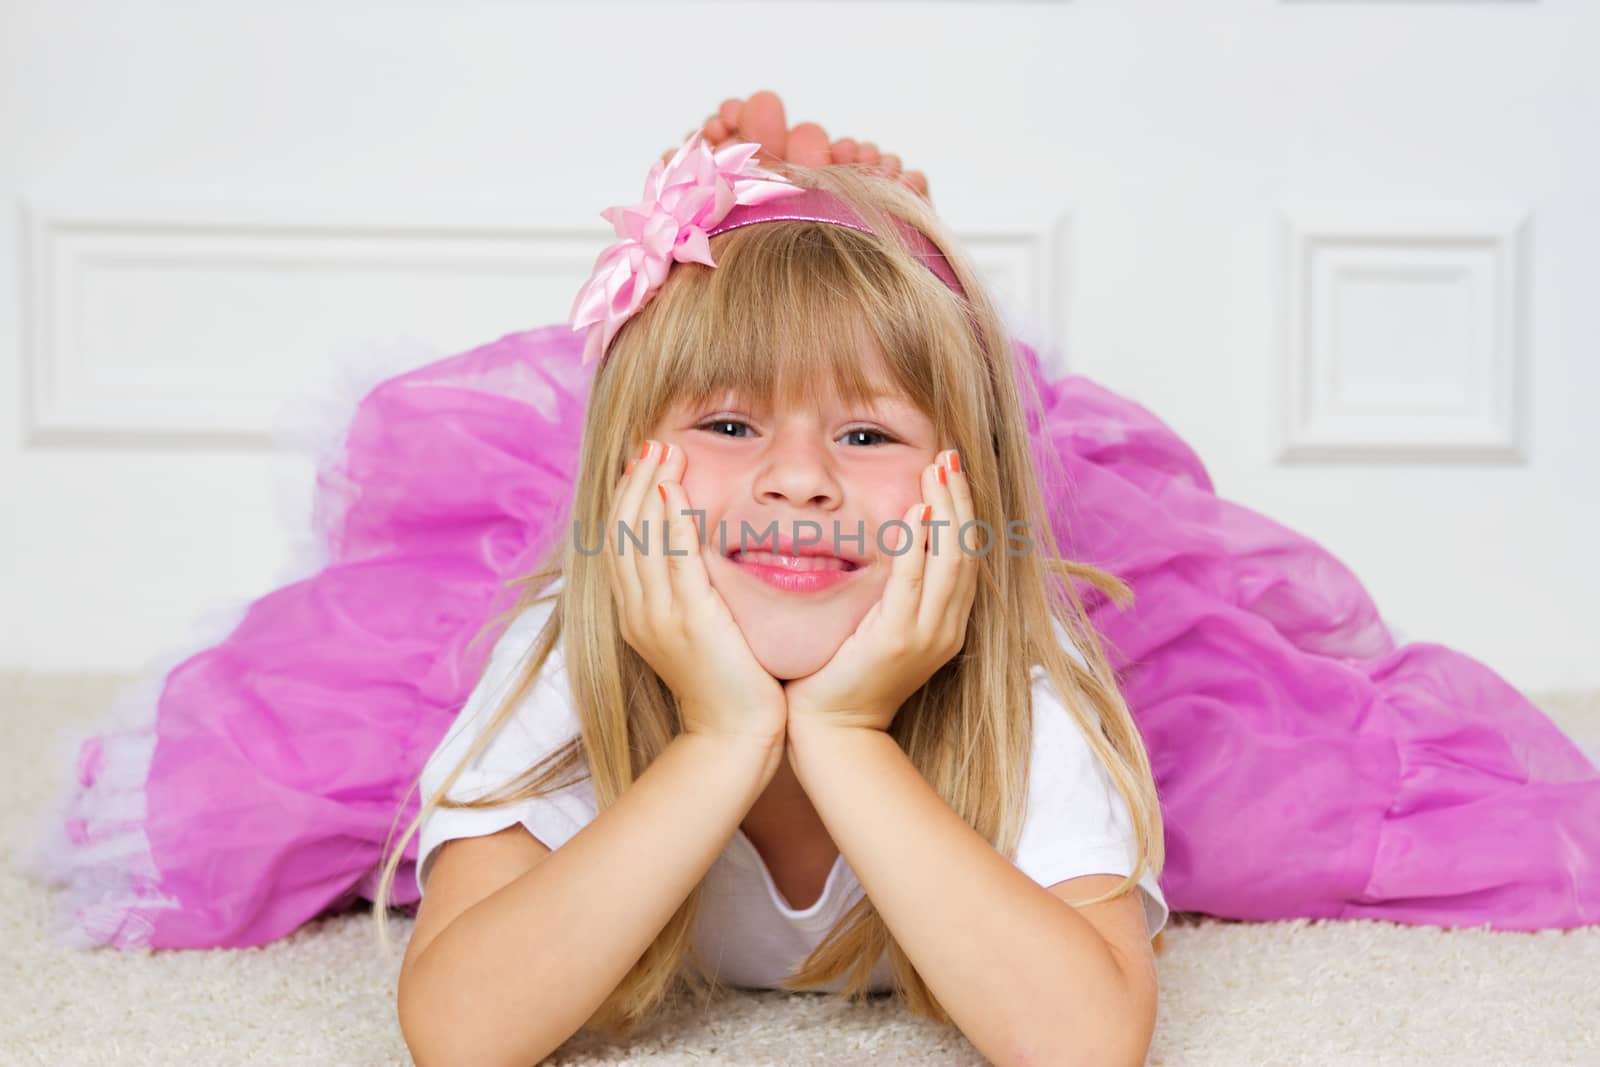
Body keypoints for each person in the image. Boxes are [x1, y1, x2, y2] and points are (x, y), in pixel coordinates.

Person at [18, 90, 1596, 1057]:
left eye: (861, 434)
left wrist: (841, 735)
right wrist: (714, 738)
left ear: (950, 491)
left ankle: (870, 271)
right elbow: (458, 1030)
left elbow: (1085, 1042)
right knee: (348, 742)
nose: (794, 478)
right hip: (636, 619)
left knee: (1265, 785)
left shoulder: (1022, 682)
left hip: (951, 632)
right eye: (724, 424)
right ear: (634, 460)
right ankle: (799, 267)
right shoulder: (559, 665)